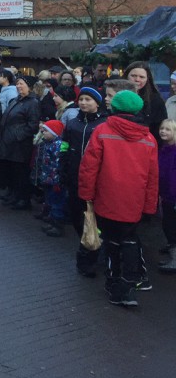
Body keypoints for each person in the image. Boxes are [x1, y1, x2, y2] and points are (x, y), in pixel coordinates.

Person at [78, 90, 159, 307]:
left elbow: (89, 167)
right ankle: (129, 283)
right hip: (135, 200)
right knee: (130, 239)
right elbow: (153, 176)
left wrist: (86, 195)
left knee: (112, 241)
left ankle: (114, 283)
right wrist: (149, 206)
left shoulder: (102, 131)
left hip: (107, 197)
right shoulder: (149, 138)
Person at [58, 86, 108, 277]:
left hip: (94, 182)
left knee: (94, 221)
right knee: (77, 219)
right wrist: (62, 168)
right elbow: (64, 146)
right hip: (74, 178)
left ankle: (91, 256)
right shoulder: (72, 124)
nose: (84, 103)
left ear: (97, 102)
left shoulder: (103, 125)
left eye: (89, 99)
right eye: (82, 99)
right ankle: (87, 246)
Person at [0, 74, 41, 210]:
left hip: (20, 144)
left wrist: (18, 135)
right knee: (12, 171)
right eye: (17, 83)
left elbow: (33, 124)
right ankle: (13, 194)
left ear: (29, 87)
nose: (18, 86)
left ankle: (23, 199)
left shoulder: (32, 103)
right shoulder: (16, 100)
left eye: (21, 84)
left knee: (21, 173)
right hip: (9, 142)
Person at [33, 119, 68, 236]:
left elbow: (58, 165)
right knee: (50, 200)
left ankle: (58, 225)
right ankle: (52, 220)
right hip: (48, 178)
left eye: (46, 131)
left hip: (55, 181)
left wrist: (57, 179)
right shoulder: (47, 143)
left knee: (57, 203)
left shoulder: (57, 146)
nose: (43, 133)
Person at [124, 60, 167, 141]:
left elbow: (160, 128)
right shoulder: (115, 95)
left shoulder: (155, 100)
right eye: (133, 76)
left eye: (142, 77)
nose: (137, 79)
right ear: (126, 76)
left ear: (147, 79)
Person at [158, 119, 176, 274]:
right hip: (165, 195)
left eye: (168, 130)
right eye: (162, 128)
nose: (163, 131)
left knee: (171, 226)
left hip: (173, 196)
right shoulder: (164, 149)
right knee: (167, 224)